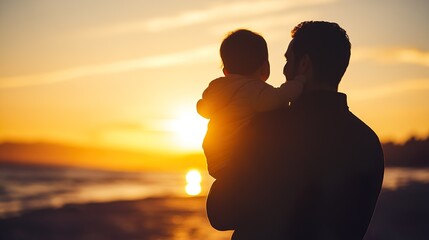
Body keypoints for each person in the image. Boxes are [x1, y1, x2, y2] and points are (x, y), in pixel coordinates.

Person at [206, 21, 385, 240]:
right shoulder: (368, 142)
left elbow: (221, 213)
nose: (282, 70)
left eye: (288, 60)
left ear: (304, 65)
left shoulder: (269, 128)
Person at [197, 29, 305, 179]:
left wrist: (200, 105)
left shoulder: (216, 88)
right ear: (264, 67)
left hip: (214, 157)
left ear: (225, 71)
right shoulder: (255, 90)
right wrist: (298, 82)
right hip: (235, 159)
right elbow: (279, 97)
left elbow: (204, 108)